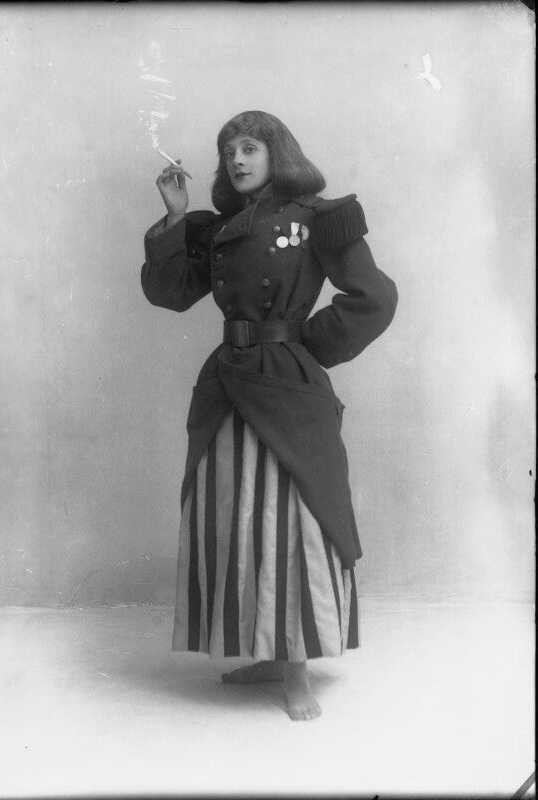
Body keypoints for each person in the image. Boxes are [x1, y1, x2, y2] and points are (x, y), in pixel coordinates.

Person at [141, 110, 398, 721]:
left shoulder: (319, 217)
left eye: (250, 147)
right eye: (228, 149)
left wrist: (304, 345)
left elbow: (376, 297)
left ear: (277, 152)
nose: (236, 158)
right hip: (227, 384)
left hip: (286, 385)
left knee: (289, 521)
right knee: (237, 517)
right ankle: (264, 650)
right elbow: (170, 293)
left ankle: (297, 668)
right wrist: (176, 218)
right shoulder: (221, 227)